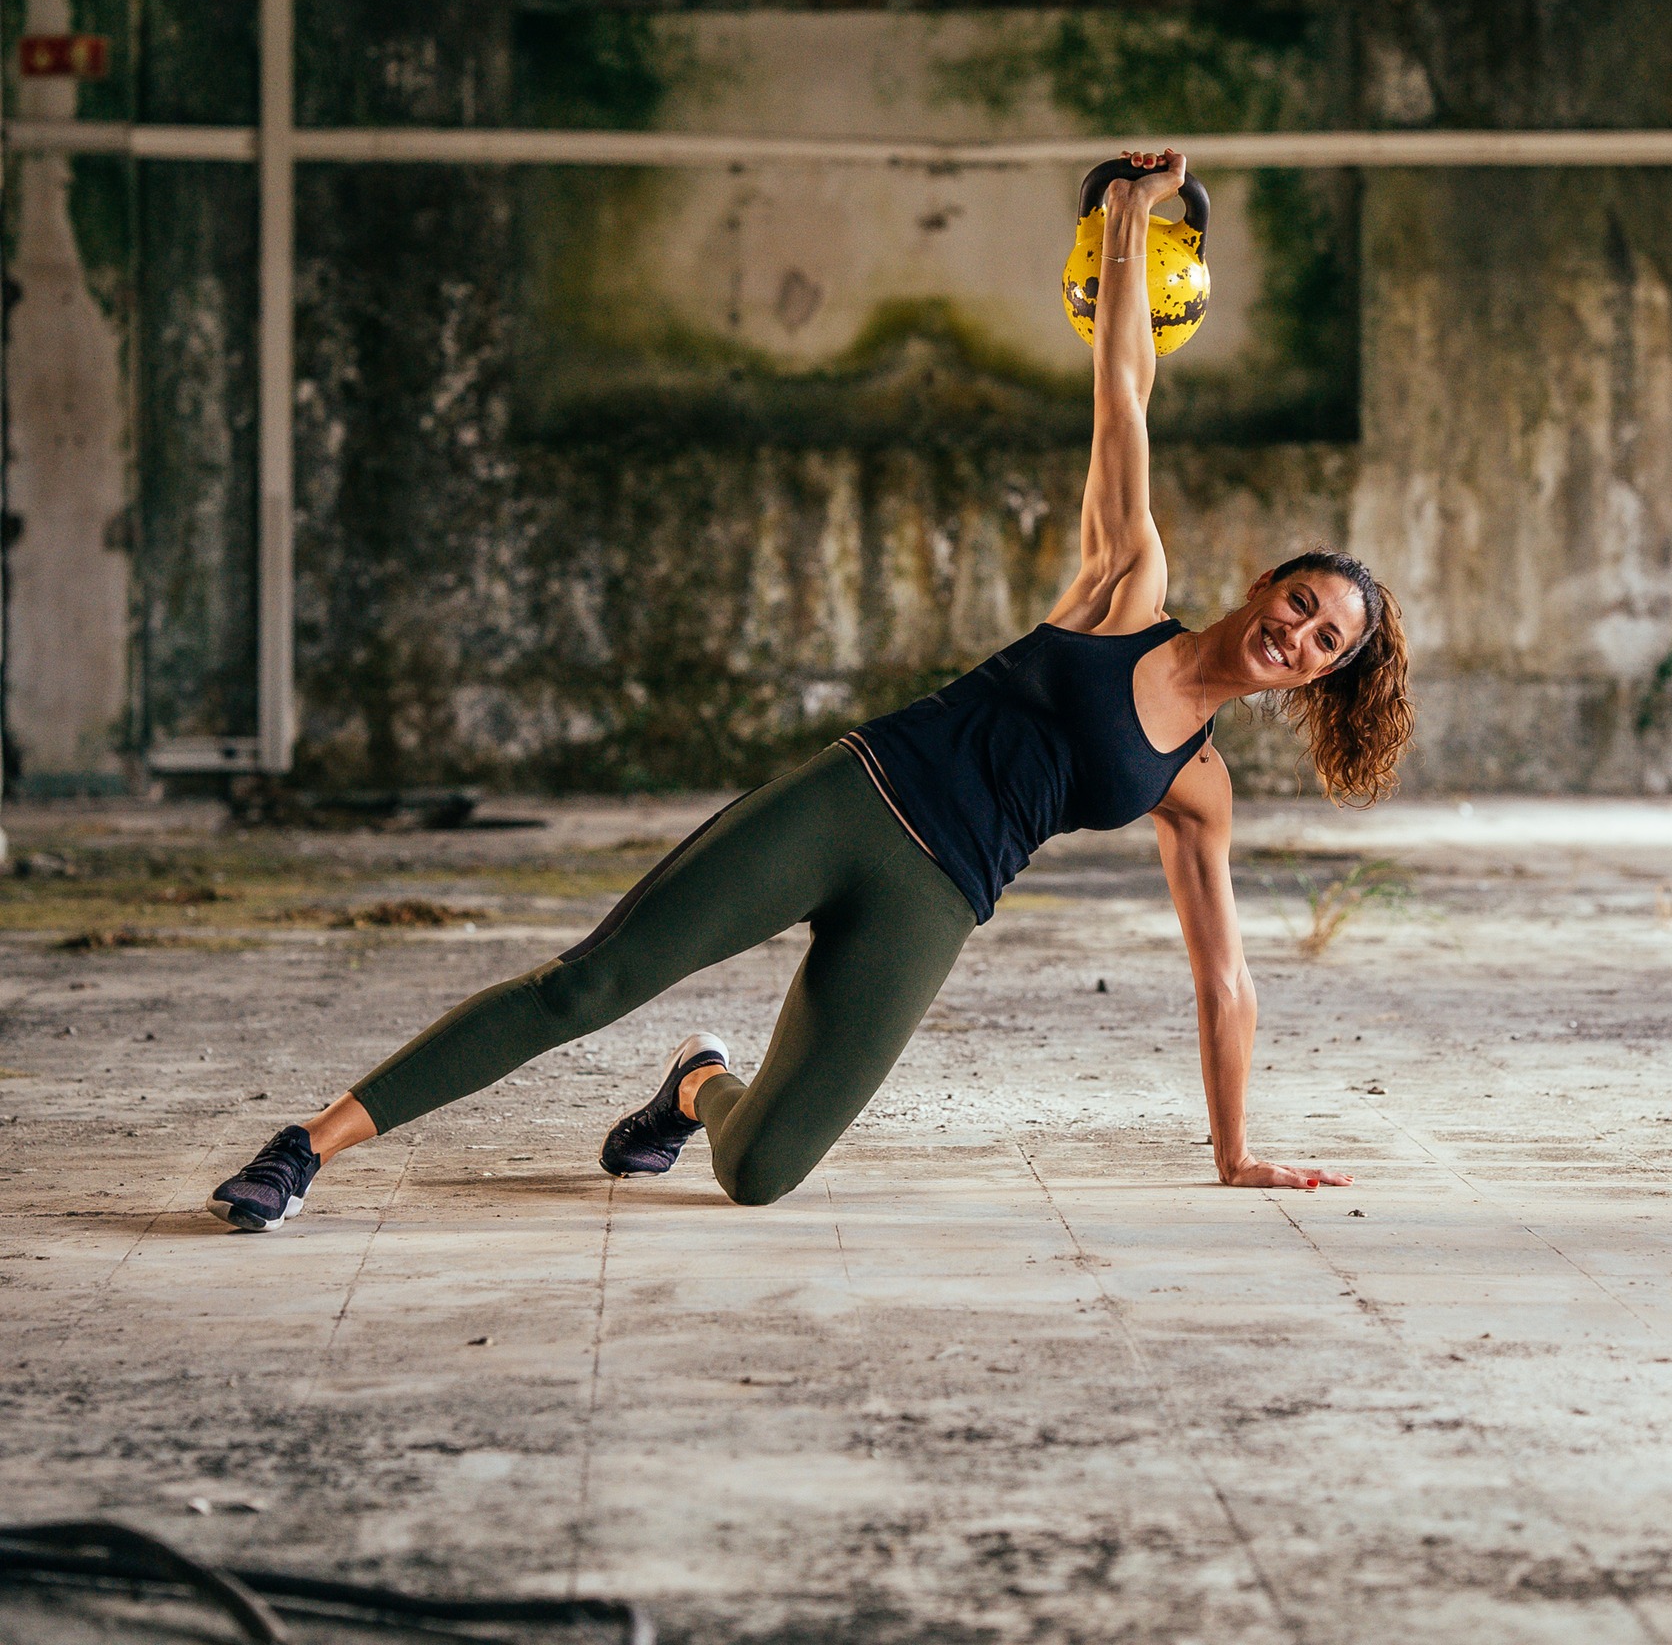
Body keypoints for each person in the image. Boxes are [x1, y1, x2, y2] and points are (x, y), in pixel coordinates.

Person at [208, 148, 1412, 1233]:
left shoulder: (1196, 785)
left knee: (763, 1171)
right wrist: (1129, 213)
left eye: (1328, 642)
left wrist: (1237, 1151)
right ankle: (304, 1150)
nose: (1301, 635)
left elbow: (1224, 977)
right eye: (1302, 604)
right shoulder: (1126, 588)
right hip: (851, 797)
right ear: (1265, 586)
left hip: (932, 906)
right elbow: (1123, 400)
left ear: (1325, 675)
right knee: (589, 982)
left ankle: (694, 1084)